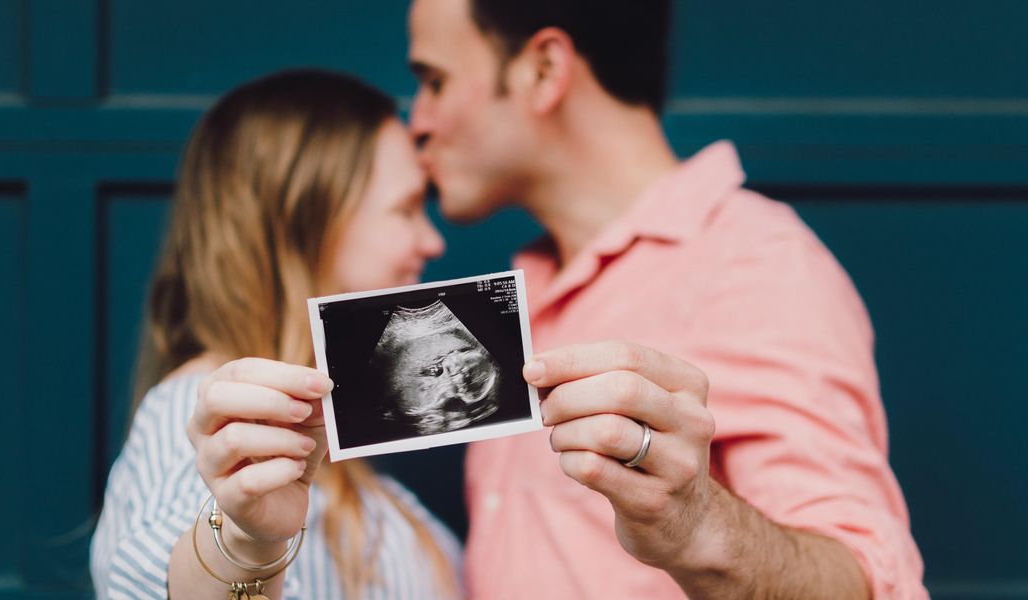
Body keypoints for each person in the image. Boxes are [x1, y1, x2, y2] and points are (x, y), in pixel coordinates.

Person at [405, 0, 927, 598]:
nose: (417, 119)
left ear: (545, 70)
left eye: (435, 81)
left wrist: (697, 525)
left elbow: (867, 581)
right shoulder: (530, 286)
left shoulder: (752, 265)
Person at [90, 69, 461, 599]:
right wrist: (248, 543)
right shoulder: (209, 421)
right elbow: (166, 583)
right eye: (405, 209)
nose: (432, 242)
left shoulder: (333, 450)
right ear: (304, 221)